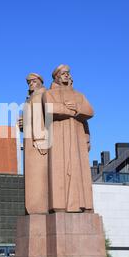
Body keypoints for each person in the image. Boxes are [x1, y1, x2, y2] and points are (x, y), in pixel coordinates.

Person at [42, 64, 94, 212]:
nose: (66, 75)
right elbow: (50, 108)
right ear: (56, 77)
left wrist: (77, 108)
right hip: (59, 136)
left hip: (77, 137)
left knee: (78, 170)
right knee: (60, 170)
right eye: (63, 73)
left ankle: (81, 204)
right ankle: (61, 205)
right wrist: (70, 110)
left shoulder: (79, 95)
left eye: (68, 73)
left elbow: (90, 111)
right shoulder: (49, 93)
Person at [18, 73, 49, 214]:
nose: (31, 84)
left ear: (40, 82)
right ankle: (32, 207)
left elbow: (49, 117)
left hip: (40, 141)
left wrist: (42, 138)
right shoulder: (29, 99)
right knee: (32, 178)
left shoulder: (45, 94)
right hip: (29, 141)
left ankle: (40, 207)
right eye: (29, 82)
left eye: (33, 81)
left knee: (39, 175)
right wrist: (22, 123)